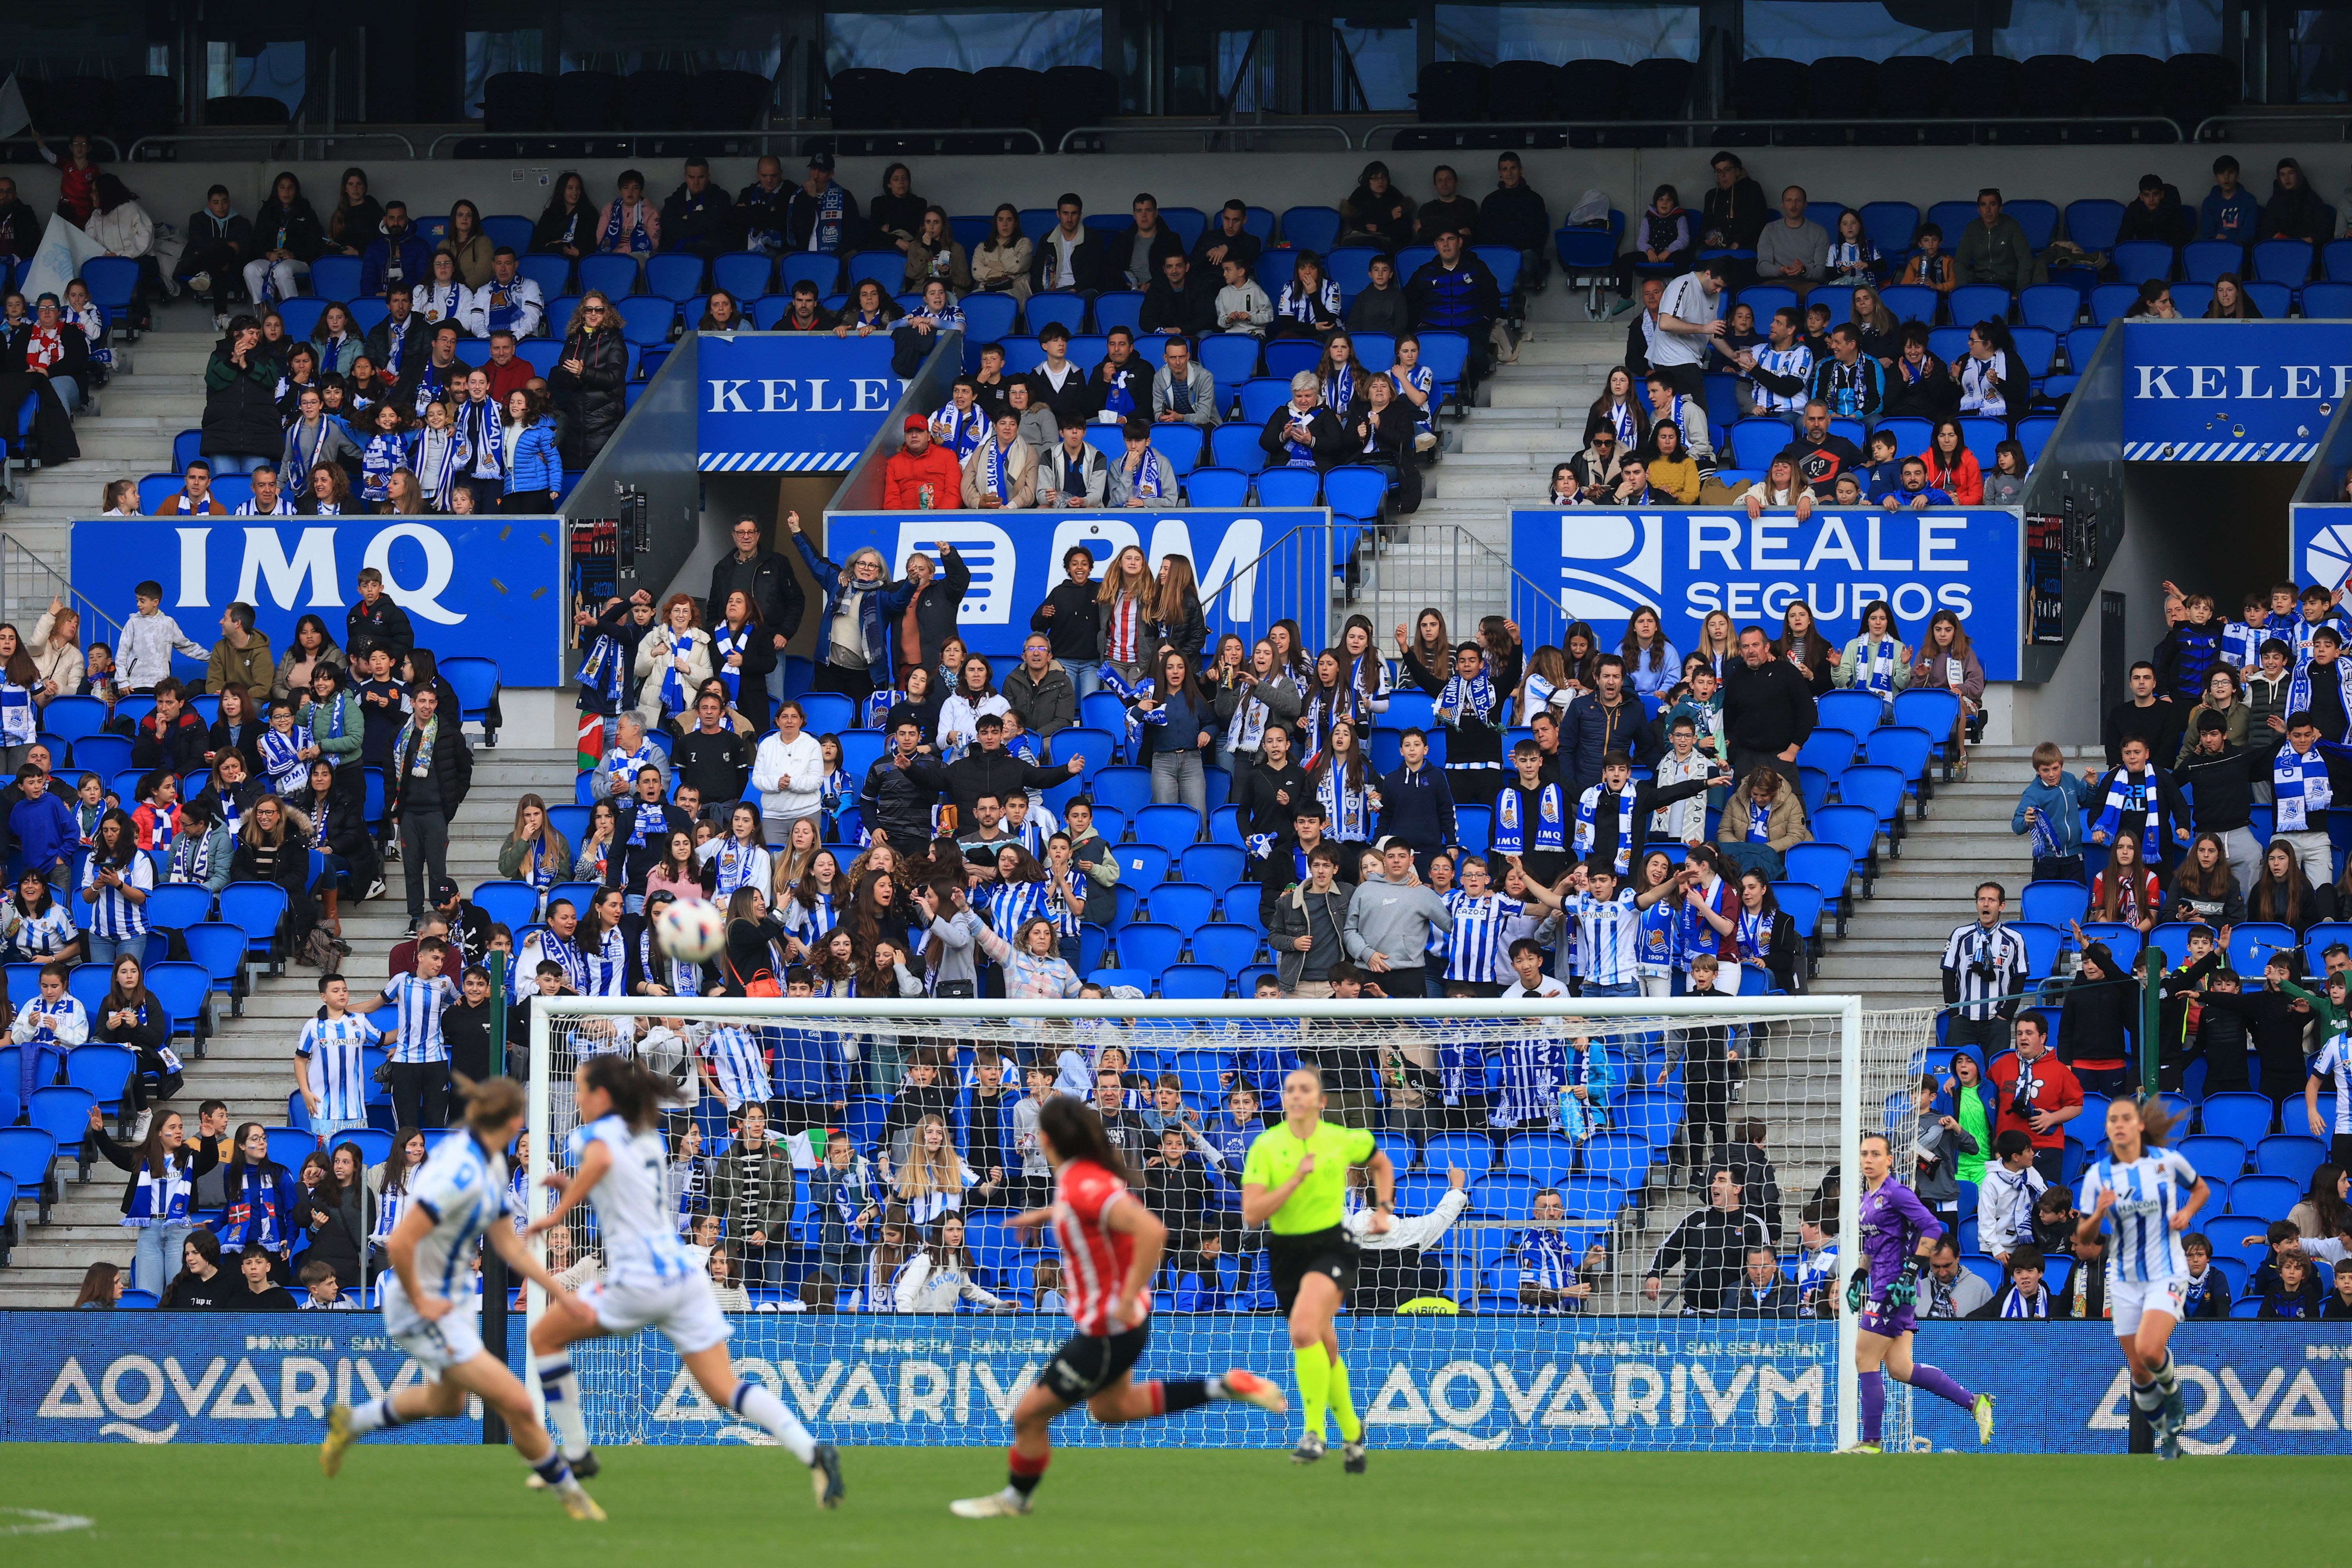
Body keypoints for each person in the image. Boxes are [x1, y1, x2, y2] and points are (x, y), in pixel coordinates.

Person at [525, 1056, 844, 1503]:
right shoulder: (650, 1139)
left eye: (580, 1090)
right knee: (722, 1388)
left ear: (601, 1097)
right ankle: (813, 1450)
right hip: (682, 1277)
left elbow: (598, 1163)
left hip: (637, 1279)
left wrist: (558, 1211)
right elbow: (616, 1178)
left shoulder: (589, 1137)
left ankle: (576, 1452)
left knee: (543, 1336)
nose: (576, 1098)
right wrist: (573, 1187)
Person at [948, 1096, 1284, 1516]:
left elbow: (1151, 1231)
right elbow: (1086, 1207)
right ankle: (1225, 1386)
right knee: (1111, 1409)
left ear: (1047, 1140)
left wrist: (1124, 1299)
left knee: (1029, 1416)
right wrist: (1044, 1215)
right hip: (1122, 1324)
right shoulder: (1078, 1176)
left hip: (1110, 1324)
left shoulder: (1083, 1179)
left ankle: (1015, 1500)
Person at [319, 1076, 604, 1517]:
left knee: (447, 1402)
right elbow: (400, 1244)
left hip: (447, 1301)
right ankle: (572, 1496)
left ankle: (352, 1422)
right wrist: (423, 1299)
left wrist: (558, 1292)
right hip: (422, 1301)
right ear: (513, 1121)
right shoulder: (460, 1170)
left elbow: (509, 1245)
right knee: (518, 1402)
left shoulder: (489, 1165)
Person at [1238, 1065, 1395, 1470]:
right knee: (1323, 1341)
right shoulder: (1267, 1146)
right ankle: (1352, 1430)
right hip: (1285, 1251)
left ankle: (1314, 1432)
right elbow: (1252, 1212)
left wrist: (1383, 1209)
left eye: (1305, 1089)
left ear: (1321, 1101)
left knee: (1304, 1329)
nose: (1296, 1095)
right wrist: (1292, 1181)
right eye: (1290, 1089)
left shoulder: (1342, 1138)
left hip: (1331, 1246)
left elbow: (1382, 1163)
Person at [1836, 1132, 1995, 1451]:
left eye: (1875, 1154)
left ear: (1890, 1159)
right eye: (1864, 1154)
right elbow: (1874, 1244)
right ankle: (1975, 1402)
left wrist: (1911, 1269)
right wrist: (1859, 1274)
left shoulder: (1897, 1193)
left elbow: (1934, 1227)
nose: (1869, 1160)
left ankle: (1870, 1443)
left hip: (1893, 1289)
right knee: (1900, 1368)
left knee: (1864, 1358)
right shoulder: (1868, 1198)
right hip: (1884, 1286)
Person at [2075, 1097, 2209, 1456]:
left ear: (2138, 1126)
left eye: (2126, 1119)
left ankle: (2176, 1397)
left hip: (2166, 1270)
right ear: (2106, 1129)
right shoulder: (2098, 1176)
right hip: (2124, 1277)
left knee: (2151, 1350)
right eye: (2112, 1120)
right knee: (2138, 1371)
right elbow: (2084, 1238)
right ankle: (2168, 1436)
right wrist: (2098, 1213)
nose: (2119, 1124)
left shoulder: (2168, 1163)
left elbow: (2201, 1190)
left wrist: (2186, 1214)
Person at [1941, 881, 2031, 1059]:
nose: (1986, 904)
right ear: (1977, 905)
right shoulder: (1960, 935)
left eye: (1992, 900)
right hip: (1963, 1020)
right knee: (1959, 1074)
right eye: (1982, 899)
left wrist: (2006, 1014)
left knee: (1995, 1073)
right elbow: (1948, 974)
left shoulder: (2014, 939)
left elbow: (2019, 978)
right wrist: (1954, 1011)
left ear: (2002, 906)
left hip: (1996, 1021)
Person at [1955, 188, 2038, 294]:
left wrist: (2019, 293)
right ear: (1979, 209)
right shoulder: (1972, 228)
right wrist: (1961, 291)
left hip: (2007, 284)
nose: (1988, 210)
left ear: (2000, 208)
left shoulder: (2012, 226)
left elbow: (2025, 260)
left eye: (1993, 205)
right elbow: (1960, 261)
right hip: (1980, 283)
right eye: (1984, 205)